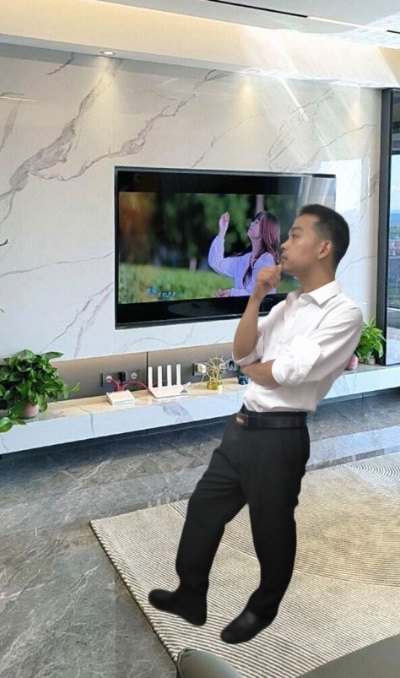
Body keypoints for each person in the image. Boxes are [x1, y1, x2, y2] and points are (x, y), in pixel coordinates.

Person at [149, 204, 363, 644]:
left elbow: (286, 373)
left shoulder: (344, 313)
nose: (284, 243)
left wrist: (256, 369)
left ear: (323, 248)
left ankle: (263, 608)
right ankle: (190, 595)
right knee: (203, 509)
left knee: (271, 528)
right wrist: (254, 298)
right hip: (242, 427)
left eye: (296, 235)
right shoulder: (286, 304)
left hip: (281, 436)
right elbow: (243, 354)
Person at [208, 210, 281, 296]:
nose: (251, 223)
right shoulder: (245, 259)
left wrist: (232, 293)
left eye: (256, 222)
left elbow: (259, 297)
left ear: (265, 231)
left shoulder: (268, 262)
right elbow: (216, 263)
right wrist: (222, 231)